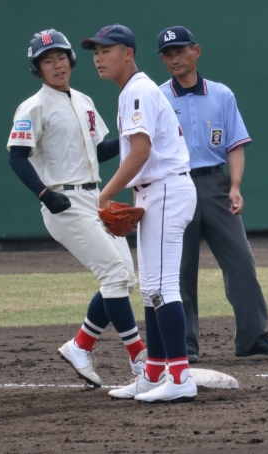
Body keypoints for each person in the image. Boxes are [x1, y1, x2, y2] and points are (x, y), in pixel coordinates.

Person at [6, 29, 147, 388]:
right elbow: (17, 157)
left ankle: (80, 346)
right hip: (63, 201)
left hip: (93, 197)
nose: (57, 65)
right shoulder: (33, 106)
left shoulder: (83, 100)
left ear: (71, 60)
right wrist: (43, 194)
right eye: (47, 60)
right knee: (114, 275)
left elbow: (98, 151)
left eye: (61, 57)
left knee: (124, 278)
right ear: (37, 68)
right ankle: (139, 358)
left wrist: (133, 137)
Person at [156, 26, 268, 362]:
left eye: (180, 51)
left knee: (241, 261)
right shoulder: (158, 97)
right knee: (180, 270)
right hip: (175, 186)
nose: (174, 59)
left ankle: (251, 337)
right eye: (168, 54)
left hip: (215, 184)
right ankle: (184, 343)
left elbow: (234, 146)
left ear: (196, 51)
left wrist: (235, 186)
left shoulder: (221, 94)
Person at [80, 24, 198, 402]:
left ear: (128, 53)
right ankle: (153, 373)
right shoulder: (133, 91)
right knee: (150, 290)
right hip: (155, 192)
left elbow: (141, 152)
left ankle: (179, 378)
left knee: (162, 288)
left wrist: (105, 194)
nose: (99, 58)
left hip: (166, 190)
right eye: (95, 52)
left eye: (106, 50)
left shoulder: (139, 90)